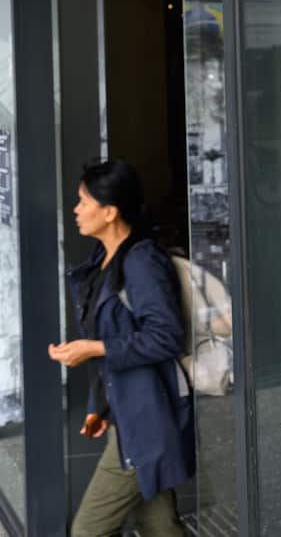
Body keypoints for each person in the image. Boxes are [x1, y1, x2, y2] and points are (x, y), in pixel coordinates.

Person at [50, 159, 194, 537]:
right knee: (159, 524)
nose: (76, 210)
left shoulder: (142, 262)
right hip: (129, 416)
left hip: (148, 419)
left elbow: (165, 336)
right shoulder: (103, 262)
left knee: (87, 531)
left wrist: (93, 348)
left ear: (110, 211)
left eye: (83, 201)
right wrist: (102, 410)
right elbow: (117, 348)